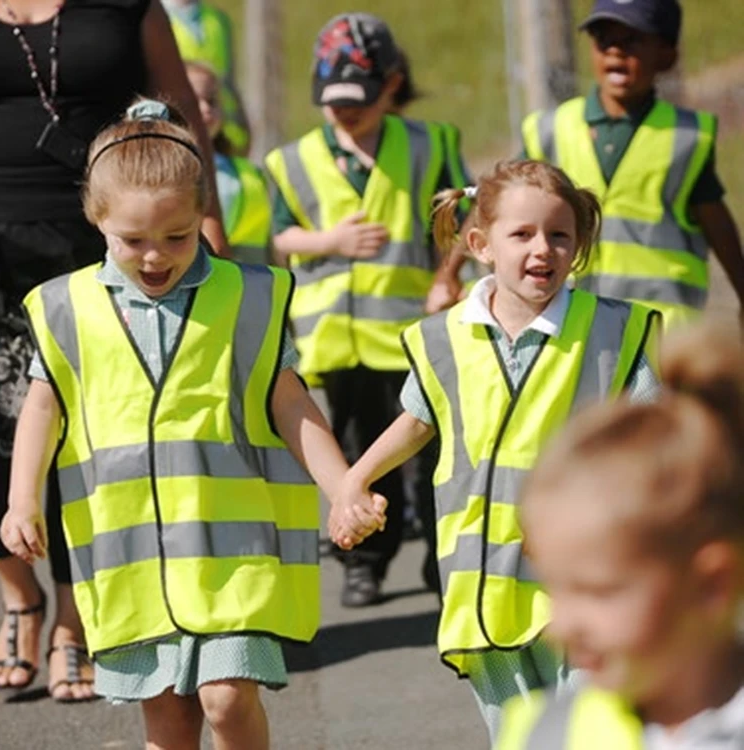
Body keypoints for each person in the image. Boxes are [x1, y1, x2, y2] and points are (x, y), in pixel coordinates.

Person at [0, 100, 384, 750]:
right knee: (170, 724)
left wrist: (344, 485)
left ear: (202, 214)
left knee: (227, 699)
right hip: (133, 561)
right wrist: (21, 501)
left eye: (177, 236)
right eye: (133, 240)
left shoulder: (247, 295)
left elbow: (288, 402)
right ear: (96, 219)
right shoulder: (66, 308)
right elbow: (43, 405)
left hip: (232, 557)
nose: (155, 257)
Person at [330, 159, 662, 744]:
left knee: (594, 734)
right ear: (480, 244)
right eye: (523, 234)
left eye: (561, 235)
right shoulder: (442, 338)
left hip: (581, 584)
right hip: (483, 588)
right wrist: (353, 481)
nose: (544, 249)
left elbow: (657, 434)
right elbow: (416, 421)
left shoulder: (614, 331)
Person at [0, 0, 226, 701]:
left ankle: (73, 616)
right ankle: (18, 597)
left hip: (111, 244)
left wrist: (204, 217)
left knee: (82, 436)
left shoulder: (125, 4)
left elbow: (179, 107)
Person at [265, 12, 471, 607]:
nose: (345, 113)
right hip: (336, 337)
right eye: (333, 102)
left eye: (359, 99)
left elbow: (461, 221)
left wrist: (446, 278)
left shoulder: (431, 144)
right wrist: (328, 241)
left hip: (413, 330)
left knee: (433, 451)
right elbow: (280, 235)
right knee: (356, 452)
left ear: (391, 85)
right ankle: (365, 562)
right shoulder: (292, 160)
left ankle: (442, 562)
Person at [496, 321, 744, 749]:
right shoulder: (545, 732)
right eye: (555, 588)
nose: (561, 625)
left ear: (712, 584)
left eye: (598, 592)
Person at [520, 0, 744, 331]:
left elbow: (715, 219)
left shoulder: (685, 137)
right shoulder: (552, 129)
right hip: (573, 324)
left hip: (660, 329)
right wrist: (449, 274)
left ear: (667, 55)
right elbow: (499, 201)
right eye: (603, 39)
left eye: (632, 40)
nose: (615, 51)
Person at [186, 60, 270, 265]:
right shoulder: (158, 175)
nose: (205, 109)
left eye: (211, 101)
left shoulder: (249, 174)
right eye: (193, 101)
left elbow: (272, 247)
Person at [163, 0, 251, 155]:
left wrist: (242, 123)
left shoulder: (218, 19)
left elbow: (229, 79)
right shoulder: (154, 18)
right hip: (178, 126)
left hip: (222, 130)